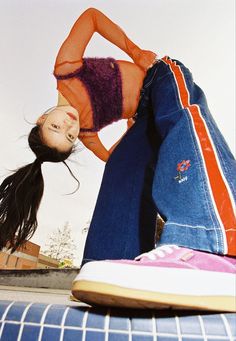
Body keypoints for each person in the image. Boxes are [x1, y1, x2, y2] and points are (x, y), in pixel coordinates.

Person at [1, 8, 235, 311]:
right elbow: (114, 157)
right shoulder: (86, 131)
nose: (70, 126)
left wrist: (135, 51)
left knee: (178, 118)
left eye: (57, 125)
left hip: (158, 76)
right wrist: (134, 141)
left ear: (42, 117)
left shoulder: (65, 69)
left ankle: (214, 243)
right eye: (69, 137)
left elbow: (91, 18)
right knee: (120, 167)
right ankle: (109, 265)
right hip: (142, 115)